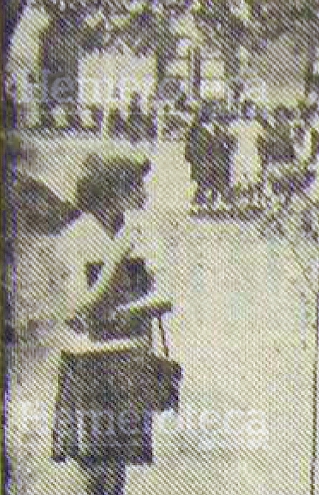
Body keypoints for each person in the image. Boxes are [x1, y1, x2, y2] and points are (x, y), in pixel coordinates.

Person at [50, 152, 173, 495]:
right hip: (90, 364)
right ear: (113, 191)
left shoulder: (139, 232)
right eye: (137, 187)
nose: (145, 196)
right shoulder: (75, 237)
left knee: (118, 475)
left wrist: (145, 303)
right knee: (94, 475)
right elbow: (78, 307)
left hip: (129, 360)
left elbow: (161, 292)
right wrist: (116, 256)